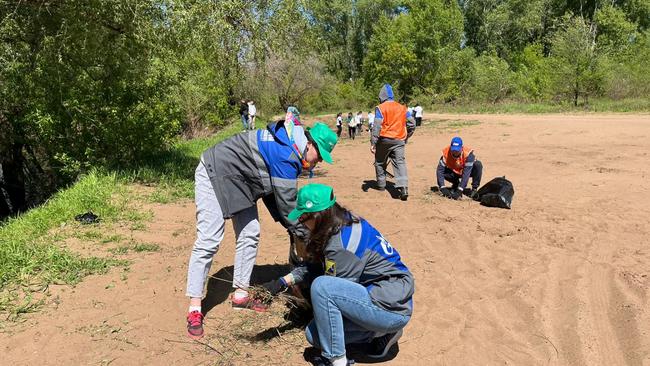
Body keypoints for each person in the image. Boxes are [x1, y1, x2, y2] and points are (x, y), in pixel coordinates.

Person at [185, 109, 338, 339]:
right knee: (209, 239)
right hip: (214, 173)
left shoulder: (291, 146)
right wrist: (306, 236)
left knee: (250, 232)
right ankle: (195, 307)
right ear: (310, 144)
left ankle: (240, 294)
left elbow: (273, 195)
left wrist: (291, 227)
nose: (317, 162)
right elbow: (287, 207)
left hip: (241, 182)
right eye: (320, 155)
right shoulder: (287, 155)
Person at [261, 183, 414, 366]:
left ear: (317, 216)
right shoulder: (341, 222)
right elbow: (317, 266)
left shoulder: (341, 246)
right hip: (382, 296)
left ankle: (337, 360)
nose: (301, 222)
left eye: (303, 218)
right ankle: (378, 333)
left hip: (390, 306)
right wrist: (282, 282)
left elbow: (332, 296)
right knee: (314, 334)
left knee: (322, 287)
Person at [370, 84, 415, 201]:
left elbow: (376, 126)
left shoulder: (380, 108)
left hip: (384, 140)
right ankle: (404, 188)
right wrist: (407, 136)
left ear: (381, 96)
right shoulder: (402, 108)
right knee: (400, 163)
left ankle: (381, 185)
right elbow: (412, 123)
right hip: (399, 140)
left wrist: (373, 143)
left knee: (380, 162)